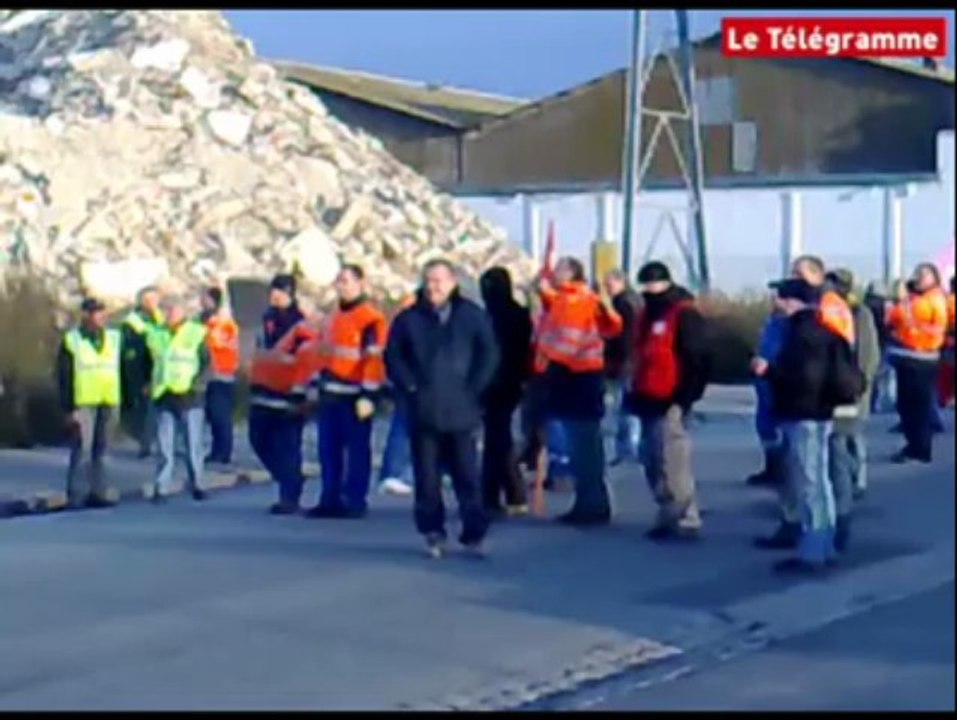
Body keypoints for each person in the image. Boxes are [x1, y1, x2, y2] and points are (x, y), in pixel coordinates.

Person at [385, 258, 499, 558]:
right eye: (429, 280)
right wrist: (409, 385)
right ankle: (433, 531)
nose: (434, 286)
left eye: (439, 280)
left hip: (462, 410)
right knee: (427, 478)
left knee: (467, 475)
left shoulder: (471, 316)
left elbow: (489, 354)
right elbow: (394, 356)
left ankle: (474, 533)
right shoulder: (409, 319)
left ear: (452, 283)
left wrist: (474, 387)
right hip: (424, 410)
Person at [752, 278, 862, 574]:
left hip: (803, 414)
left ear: (793, 302)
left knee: (808, 482)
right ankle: (823, 544)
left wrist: (770, 371)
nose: (777, 303)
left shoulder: (801, 335)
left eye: (782, 298)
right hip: (823, 413)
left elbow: (805, 379)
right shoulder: (828, 331)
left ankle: (813, 550)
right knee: (820, 482)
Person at [535, 256, 622, 526]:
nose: (554, 272)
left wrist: (545, 364)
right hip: (576, 374)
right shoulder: (568, 298)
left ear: (572, 273)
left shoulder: (575, 301)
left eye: (560, 268)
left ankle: (592, 504)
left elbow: (567, 340)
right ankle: (590, 501)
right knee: (581, 443)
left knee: (584, 445)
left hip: (576, 375)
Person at [625, 261, 709, 541]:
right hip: (647, 395)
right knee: (651, 460)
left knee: (673, 461)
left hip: (671, 397)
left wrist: (685, 399)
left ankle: (686, 517)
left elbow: (696, 359)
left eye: (652, 284)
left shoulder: (683, 313)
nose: (648, 290)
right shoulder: (647, 314)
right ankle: (667, 511)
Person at [308, 265, 388, 519]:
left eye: (346, 281)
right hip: (329, 392)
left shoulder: (371, 319)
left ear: (360, 283)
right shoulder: (332, 318)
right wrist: (313, 385)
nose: (340, 285)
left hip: (355, 395)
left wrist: (369, 394)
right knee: (328, 449)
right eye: (338, 281)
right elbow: (321, 354)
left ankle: (354, 499)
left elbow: (374, 360)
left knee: (356, 451)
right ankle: (329, 498)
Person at [825, 269, 880, 551]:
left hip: (850, 394)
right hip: (835, 395)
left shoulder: (858, 315)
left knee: (845, 447)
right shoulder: (830, 313)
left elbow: (867, 357)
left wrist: (857, 389)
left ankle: (851, 494)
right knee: (837, 450)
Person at [247, 274, 311, 514]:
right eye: (274, 290)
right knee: (258, 440)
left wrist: (302, 393)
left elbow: (308, 360)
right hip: (262, 390)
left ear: (291, 295)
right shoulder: (265, 320)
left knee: (288, 446)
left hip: (289, 393)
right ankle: (288, 477)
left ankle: (289, 495)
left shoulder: (301, 325)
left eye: (281, 291)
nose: (276, 295)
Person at [57, 298, 124, 509]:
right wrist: (68, 408)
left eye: (102, 313)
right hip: (83, 401)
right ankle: (76, 495)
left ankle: (99, 492)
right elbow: (64, 376)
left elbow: (122, 367)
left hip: (109, 399)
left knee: (102, 450)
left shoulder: (114, 338)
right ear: (86, 315)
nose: (101, 317)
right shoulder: (72, 340)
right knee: (81, 449)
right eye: (96, 313)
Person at [479, 266, 533, 517]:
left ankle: (499, 493)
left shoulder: (495, 316)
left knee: (496, 439)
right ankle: (507, 492)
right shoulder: (516, 314)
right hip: (505, 382)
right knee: (498, 438)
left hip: (500, 382)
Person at [885, 263, 949, 464]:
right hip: (909, 356)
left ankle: (919, 448)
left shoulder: (931, 300)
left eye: (923, 274)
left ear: (934, 278)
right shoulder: (916, 299)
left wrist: (902, 303)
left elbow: (899, 318)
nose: (918, 278)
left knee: (917, 407)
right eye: (916, 273)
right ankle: (914, 444)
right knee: (908, 406)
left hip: (921, 358)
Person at [149, 296, 210, 503]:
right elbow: (147, 361)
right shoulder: (156, 333)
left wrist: (198, 385)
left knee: (193, 445)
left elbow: (207, 363)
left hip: (190, 396)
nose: (168, 314)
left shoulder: (196, 333)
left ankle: (198, 484)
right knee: (165, 447)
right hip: (164, 394)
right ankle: (161, 486)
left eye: (172, 310)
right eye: (165, 310)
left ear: (183, 312)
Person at [747, 288, 788, 487]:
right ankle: (771, 467)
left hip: (779, 380)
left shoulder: (790, 324)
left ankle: (783, 469)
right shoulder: (771, 321)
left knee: (781, 427)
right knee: (765, 426)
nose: (773, 299)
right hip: (763, 380)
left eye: (777, 296)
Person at [602, 269, 641, 466]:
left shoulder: (623, 303)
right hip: (631, 359)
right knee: (627, 405)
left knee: (625, 406)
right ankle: (629, 447)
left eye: (609, 284)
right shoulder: (635, 301)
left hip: (626, 361)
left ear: (620, 282)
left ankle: (628, 449)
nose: (606, 289)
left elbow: (624, 335)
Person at [120, 285, 164, 458]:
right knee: (145, 410)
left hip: (161, 370)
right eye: (152, 299)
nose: (155, 303)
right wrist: (140, 378)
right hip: (143, 370)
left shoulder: (159, 317)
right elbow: (132, 352)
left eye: (156, 299)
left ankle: (155, 443)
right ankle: (145, 445)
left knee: (158, 411)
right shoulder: (133, 321)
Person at [200, 286, 240, 466]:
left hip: (222, 373)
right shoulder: (208, 321)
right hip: (210, 374)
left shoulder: (223, 323)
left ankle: (223, 452)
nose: (201, 302)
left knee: (220, 415)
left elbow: (215, 343)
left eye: (204, 298)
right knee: (214, 414)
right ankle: (217, 450)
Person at [938, 275, 955, 409]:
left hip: (949, 342)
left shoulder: (947, 301)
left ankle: (947, 398)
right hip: (950, 341)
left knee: (947, 372)